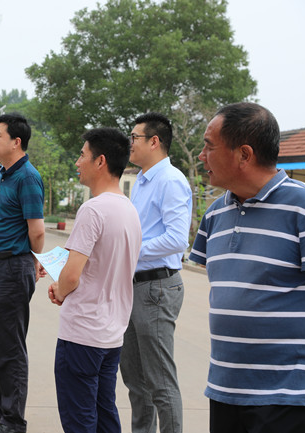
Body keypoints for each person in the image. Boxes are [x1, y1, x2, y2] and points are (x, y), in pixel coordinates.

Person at [189, 102, 305, 433]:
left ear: (244, 154)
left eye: (209, 146)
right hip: (225, 389)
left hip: (287, 397)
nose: (201, 156)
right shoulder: (215, 214)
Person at [49, 128, 142, 433]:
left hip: (82, 332)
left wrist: (59, 289)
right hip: (111, 333)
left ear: (100, 161)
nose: (78, 162)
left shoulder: (93, 209)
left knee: (79, 418)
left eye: (82, 155)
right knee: (104, 412)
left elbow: (71, 276)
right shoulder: (129, 210)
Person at [0, 113, 45, 433]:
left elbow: (37, 230)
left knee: (10, 348)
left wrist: (35, 259)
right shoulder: (7, 174)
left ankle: (14, 421)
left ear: (16, 142)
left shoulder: (27, 177)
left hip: (12, 269)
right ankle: (2, 409)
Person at [120, 112, 192, 433]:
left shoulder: (170, 180)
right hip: (134, 286)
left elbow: (176, 239)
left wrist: (129, 250)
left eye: (135, 137)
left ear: (154, 141)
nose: (130, 143)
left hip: (157, 288)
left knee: (160, 382)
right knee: (136, 381)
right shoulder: (142, 180)